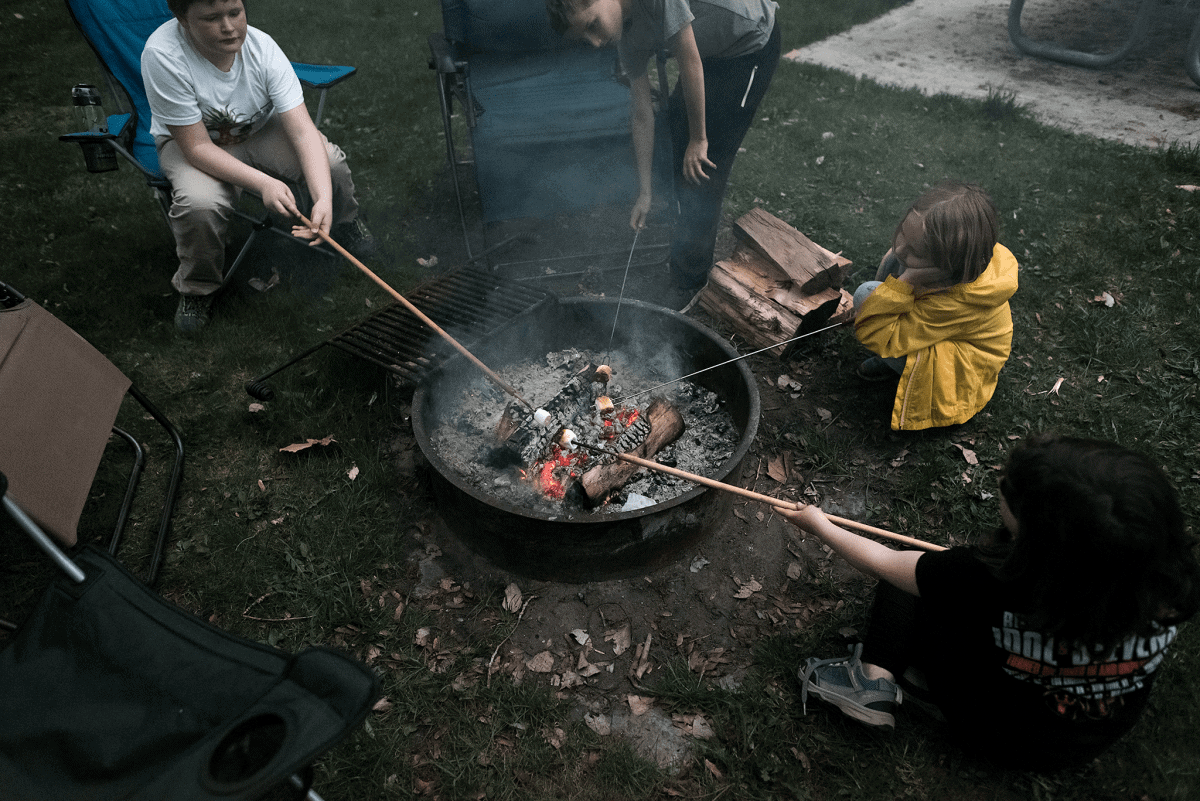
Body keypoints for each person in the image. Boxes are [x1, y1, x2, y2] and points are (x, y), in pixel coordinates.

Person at [783, 434, 1200, 771]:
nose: (1001, 482)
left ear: (1042, 544)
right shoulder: (1171, 580)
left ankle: (872, 680)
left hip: (989, 726)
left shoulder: (993, 579)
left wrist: (820, 526)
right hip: (1081, 741)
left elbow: (888, 562)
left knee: (907, 583)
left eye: (1012, 497)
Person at [141, 0, 375, 333]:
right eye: (211, 18)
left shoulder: (262, 48)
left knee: (331, 165)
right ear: (182, 19)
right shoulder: (162, 56)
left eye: (234, 12)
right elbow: (195, 148)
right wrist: (263, 183)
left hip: (260, 130)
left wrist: (322, 197)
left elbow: (302, 131)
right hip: (194, 145)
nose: (228, 27)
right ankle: (197, 288)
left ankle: (344, 222)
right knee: (200, 203)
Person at [547, 0, 780, 311]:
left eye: (592, 26)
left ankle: (689, 280)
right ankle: (683, 231)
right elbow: (642, 114)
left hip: (748, 46)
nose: (596, 42)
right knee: (674, 143)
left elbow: (689, 62)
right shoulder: (627, 38)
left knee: (703, 167)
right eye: (585, 37)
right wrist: (645, 192)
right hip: (705, 52)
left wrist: (698, 139)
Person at [853, 182, 1018, 430]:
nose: (900, 247)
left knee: (867, 295)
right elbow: (901, 253)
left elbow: (876, 334)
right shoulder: (964, 261)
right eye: (903, 234)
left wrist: (907, 280)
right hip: (940, 327)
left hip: (958, 372)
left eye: (916, 251)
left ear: (948, 264)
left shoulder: (953, 304)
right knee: (893, 261)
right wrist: (912, 267)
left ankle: (900, 367)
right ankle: (894, 362)